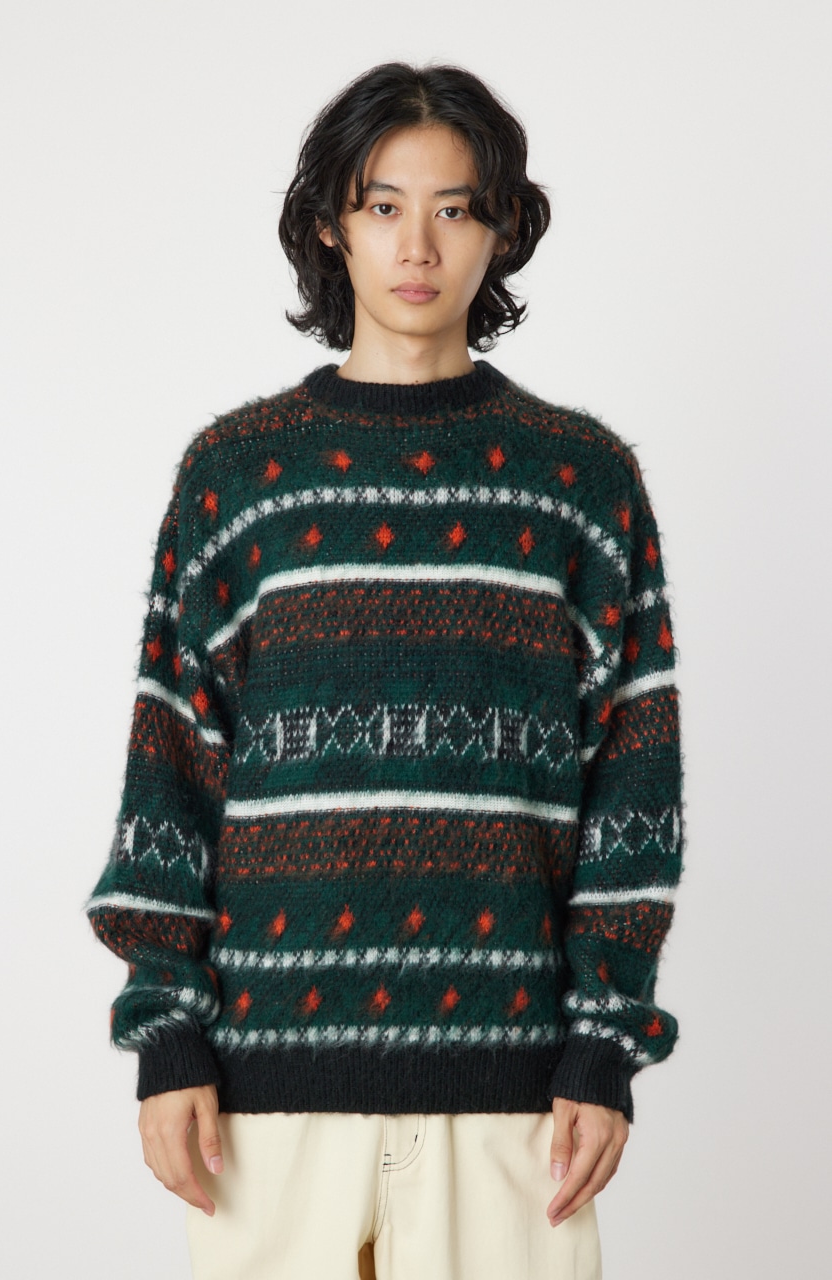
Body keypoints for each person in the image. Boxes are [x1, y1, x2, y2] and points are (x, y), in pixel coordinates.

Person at [86, 61, 684, 1280]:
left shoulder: (578, 480)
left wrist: (602, 1045)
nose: (418, 244)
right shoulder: (237, 474)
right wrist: (166, 1035)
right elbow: (172, 767)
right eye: (381, 205)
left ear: (500, 227)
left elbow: (634, 780)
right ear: (330, 224)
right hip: (261, 1093)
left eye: (455, 207)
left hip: (518, 1098)